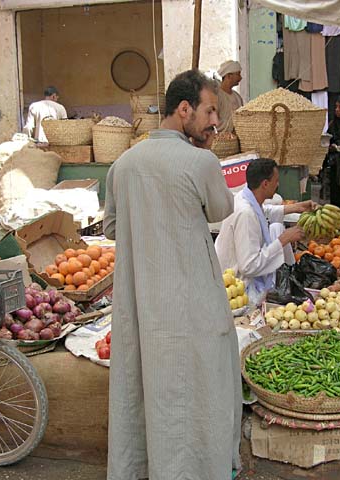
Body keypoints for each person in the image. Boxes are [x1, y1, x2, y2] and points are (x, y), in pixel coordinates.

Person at [103, 70, 242, 480]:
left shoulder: (122, 164)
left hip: (142, 299)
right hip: (191, 298)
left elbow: (112, 228)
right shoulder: (201, 161)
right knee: (200, 384)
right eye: (209, 111)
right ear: (184, 110)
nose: (214, 121)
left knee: (146, 385)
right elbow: (221, 210)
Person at [215, 158, 314, 304]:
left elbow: (263, 211)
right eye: (276, 180)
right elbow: (249, 266)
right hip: (238, 284)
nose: (278, 184)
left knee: (276, 228)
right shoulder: (246, 214)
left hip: (232, 271)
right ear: (265, 184)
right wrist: (283, 240)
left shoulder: (245, 197)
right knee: (278, 232)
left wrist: (296, 207)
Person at [216, 60, 244, 133]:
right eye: (238, 74)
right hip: (221, 140)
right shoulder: (217, 96)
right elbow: (214, 122)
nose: (240, 78)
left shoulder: (237, 97)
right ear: (229, 76)